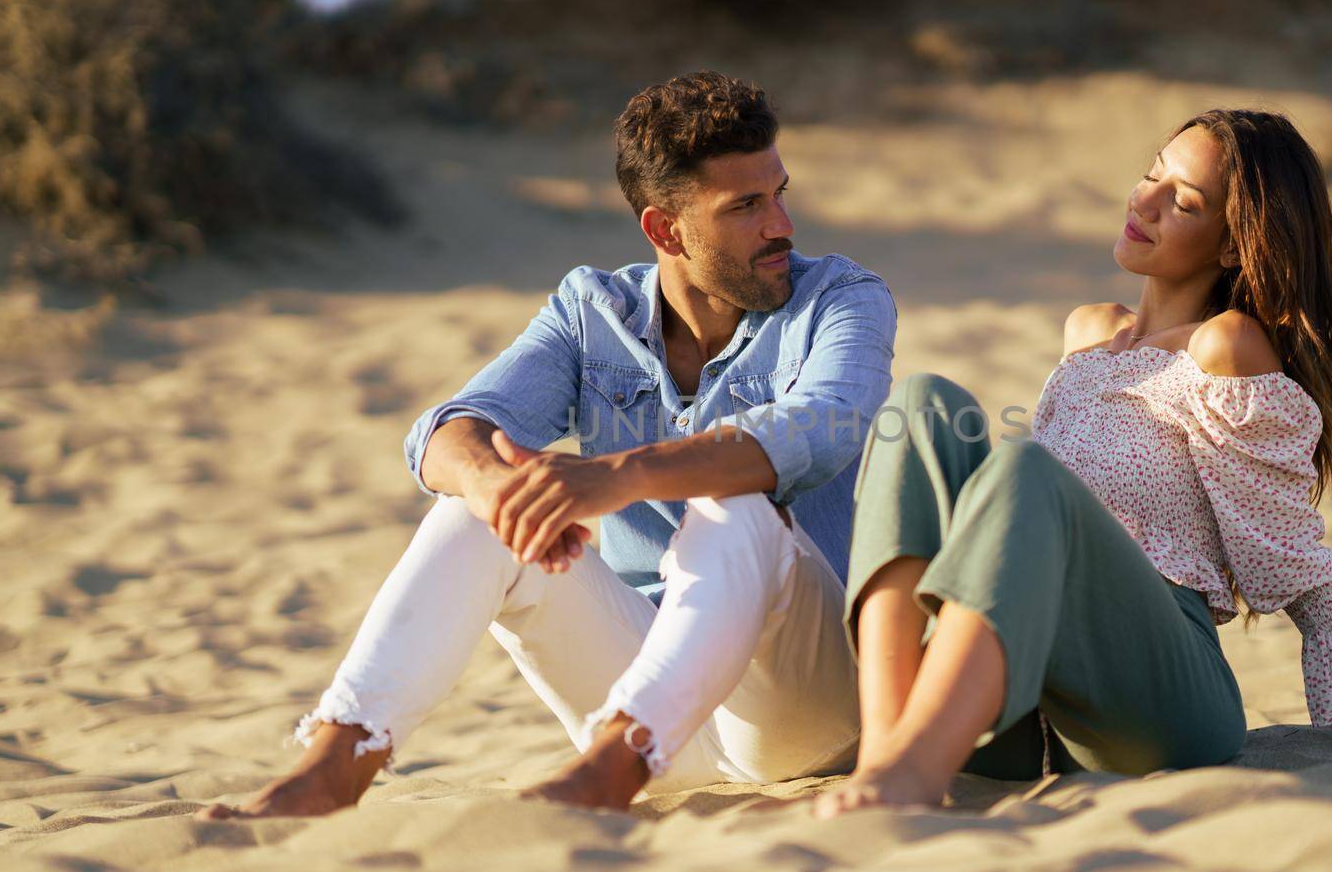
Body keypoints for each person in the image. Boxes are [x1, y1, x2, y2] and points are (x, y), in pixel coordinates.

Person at [198, 70, 897, 818]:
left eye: (779, 192)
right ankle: (337, 762)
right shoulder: (592, 310)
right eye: (747, 206)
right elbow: (445, 430)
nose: (782, 224)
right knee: (478, 505)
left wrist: (614, 477)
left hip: (798, 717)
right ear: (665, 230)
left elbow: (822, 426)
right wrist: (495, 485)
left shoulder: (841, 298)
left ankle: (610, 769)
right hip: (647, 702)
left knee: (738, 509)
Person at [814, 109, 1332, 816]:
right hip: (1029, 714)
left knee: (1024, 472)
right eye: (1151, 175)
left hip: (1161, 703)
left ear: (1234, 248)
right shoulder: (1086, 333)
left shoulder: (1225, 348)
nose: (1145, 202)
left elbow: (1288, 557)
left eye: (1185, 201)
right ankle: (891, 746)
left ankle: (913, 776)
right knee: (922, 404)